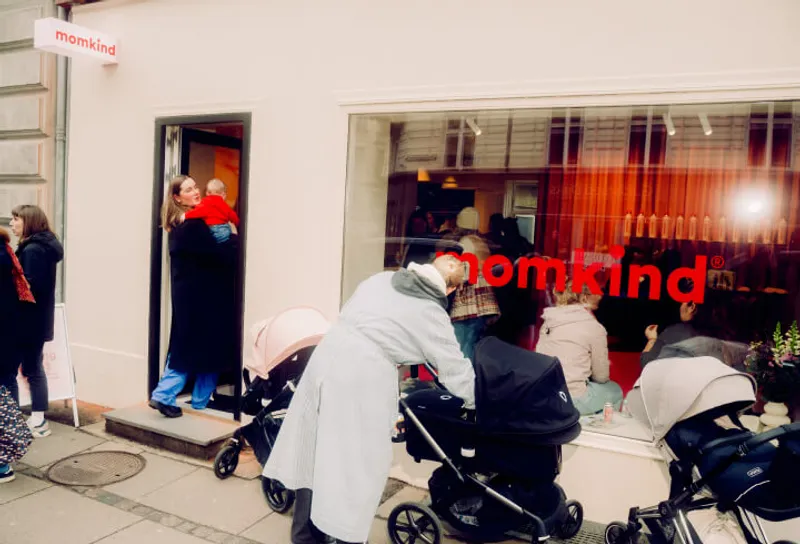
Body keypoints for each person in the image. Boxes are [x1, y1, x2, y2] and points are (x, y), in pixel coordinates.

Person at [262, 254, 476, 544]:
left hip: (327, 358)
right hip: (361, 377)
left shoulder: (382, 279)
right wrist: (479, 400)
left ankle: (305, 536)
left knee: (313, 452)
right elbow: (454, 368)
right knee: (355, 464)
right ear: (450, 290)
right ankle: (341, 533)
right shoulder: (430, 313)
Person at [148, 175, 238, 418]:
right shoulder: (192, 224)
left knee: (198, 348)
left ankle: (197, 401)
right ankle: (166, 395)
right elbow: (219, 255)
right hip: (202, 298)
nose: (196, 191)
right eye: (189, 189)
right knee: (195, 349)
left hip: (193, 297)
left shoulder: (181, 223)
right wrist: (234, 239)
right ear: (178, 197)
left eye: (195, 186)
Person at [9, 205, 64, 438]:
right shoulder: (43, 247)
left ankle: (38, 421)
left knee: (27, 369)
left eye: (16, 219)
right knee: (33, 367)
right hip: (37, 320)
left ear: (28, 222)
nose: (12, 224)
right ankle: (38, 417)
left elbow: (28, 288)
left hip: (27, 321)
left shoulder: (32, 250)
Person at [535, 280, 623, 415]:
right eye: (596, 291)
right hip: (572, 399)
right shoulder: (594, 327)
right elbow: (601, 377)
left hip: (544, 396)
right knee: (615, 390)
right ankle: (597, 430)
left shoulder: (548, 322)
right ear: (585, 297)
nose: (600, 295)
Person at [1, 227, 36, 481]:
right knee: (7, 385)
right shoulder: (6, 251)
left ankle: (3, 461)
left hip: (5, 334)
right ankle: (7, 455)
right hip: (9, 335)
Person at [449, 234, 501, 362]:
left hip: (464, 313)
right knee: (471, 346)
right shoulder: (483, 271)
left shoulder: (468, 270)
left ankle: (465, 377)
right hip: (479, 314)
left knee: (462, 349)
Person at [641, 281, 700, 367]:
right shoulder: (722, 335)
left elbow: (647, 364)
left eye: (683, 301)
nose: (681, 306)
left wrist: (652, 340)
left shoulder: (675, 333)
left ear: (692, 307)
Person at [183, 178, 239, 243]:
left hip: (212, 229)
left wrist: (185, 215)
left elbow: (197, 212)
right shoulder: (224, 204)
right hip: (224, 229)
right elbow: (232, 215)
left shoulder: (206, 202)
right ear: (223, 194)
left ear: (207, 193)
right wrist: (237, 222)